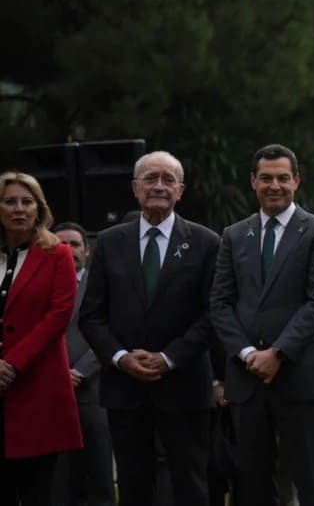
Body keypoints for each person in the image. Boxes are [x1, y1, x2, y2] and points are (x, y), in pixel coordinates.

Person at [77, 151, 219, 506]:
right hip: (125, 388)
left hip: (184, 384)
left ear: (181, 190)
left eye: (168, 179)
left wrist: (169, 357)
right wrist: (122, 358)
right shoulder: (109, 242)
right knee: (133, 484)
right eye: (151, 178)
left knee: (190, 484)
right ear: (135, 188)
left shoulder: (206, 242)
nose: (159, 186)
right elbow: (92, 316)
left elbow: (214, 314)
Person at [209, 144, 314, 506]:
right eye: (266, 178)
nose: (274, 185)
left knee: (311, 484)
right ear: (253, 182)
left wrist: (278, 353)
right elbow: (220, 303)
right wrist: (250, 354)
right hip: (247, 380)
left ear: (296, 181)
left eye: (283, 178)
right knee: (251, 486)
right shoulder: (234, 236)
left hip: (301, 378)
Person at [0, 172, 83, 505]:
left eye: (27, 201)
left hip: (37, 388)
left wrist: (10, 365)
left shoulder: (57, 254)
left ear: (39, 209)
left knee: (39, 491)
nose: (19, 209)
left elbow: (58, 316)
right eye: (9, 201)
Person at [51, 221, 115, 506]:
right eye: (61, 244)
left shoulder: (102, 285)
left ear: (87, 251)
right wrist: (57, 372)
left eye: (74, 244)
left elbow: (110, 331)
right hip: (50, 392)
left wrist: (79, 371)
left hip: (94, 391)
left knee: (99, 472)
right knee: (58, 479)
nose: (68, 250)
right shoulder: (42, 284)